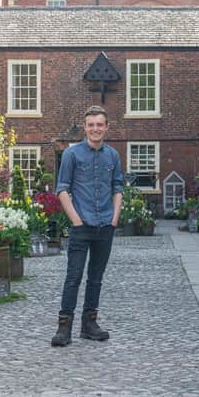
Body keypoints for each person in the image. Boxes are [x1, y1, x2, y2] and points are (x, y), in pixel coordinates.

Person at [51, 105, 124, 347]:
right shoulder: (72, 155)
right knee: (74, 276)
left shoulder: (112, 156)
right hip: (81, 225)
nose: (95, 129)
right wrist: (76, 220)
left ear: (106, 128)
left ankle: (90, 324)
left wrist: (114, 219)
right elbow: (62, 189)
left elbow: (118, 188)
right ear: (85, 127)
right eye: (91, 125)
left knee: (96, 278)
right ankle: (64, 327)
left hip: (105, 225)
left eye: (99, 125)